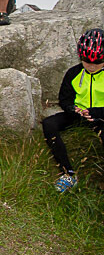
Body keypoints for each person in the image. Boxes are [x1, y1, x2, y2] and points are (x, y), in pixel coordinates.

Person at [42, 28, 104, 192]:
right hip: (78, 116)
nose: (91, 66)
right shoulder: (73, 73)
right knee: (49, 124)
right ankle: (68, 174)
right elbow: (64, 99)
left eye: (97, 62)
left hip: (101, 117)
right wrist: (73, 110)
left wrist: (97, 113)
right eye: (86, 61)